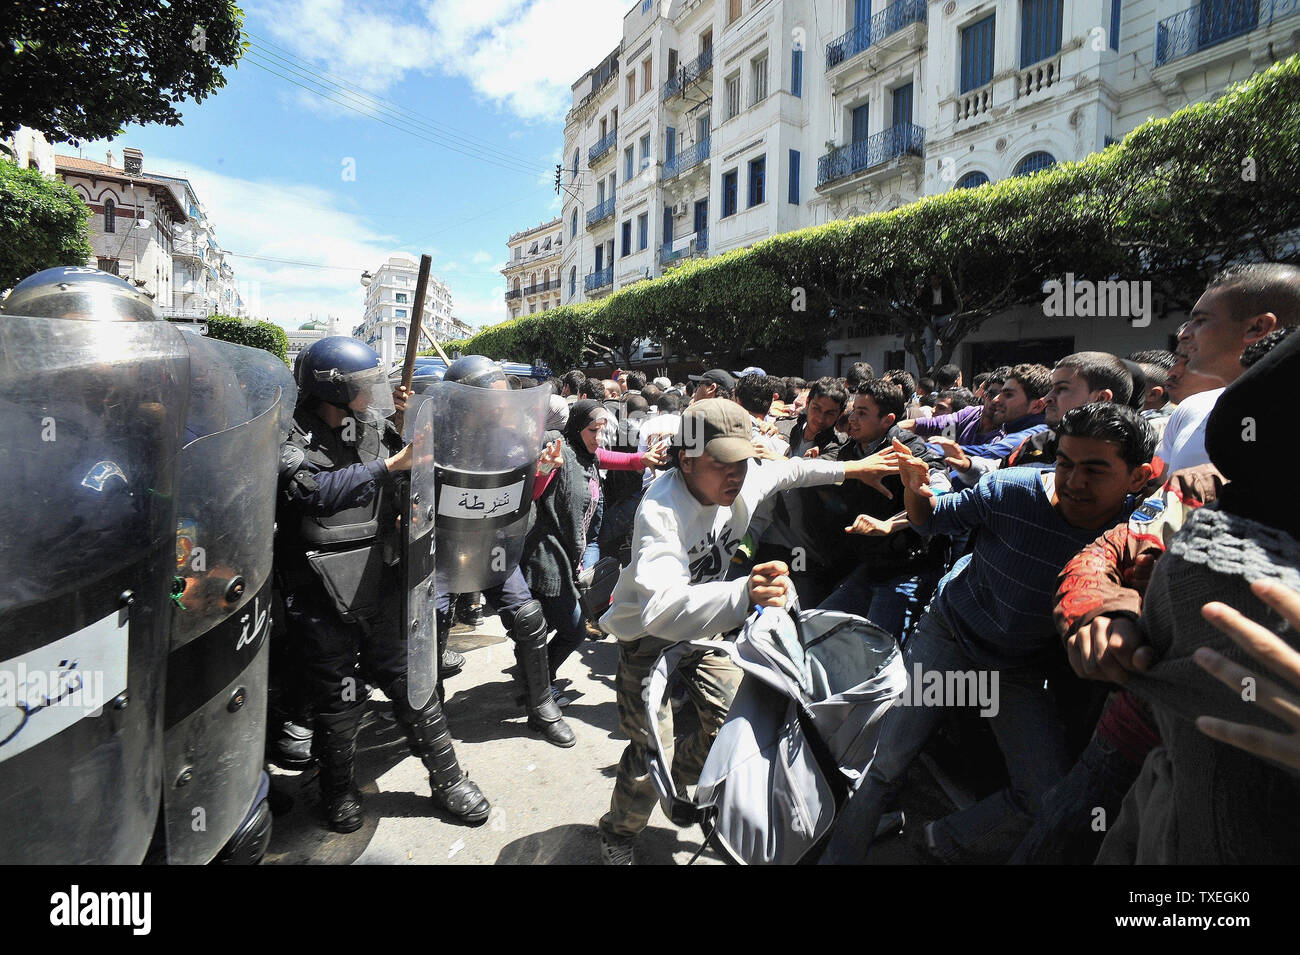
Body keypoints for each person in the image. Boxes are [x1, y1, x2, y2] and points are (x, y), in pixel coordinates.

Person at [820, 403, 1157, 864]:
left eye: (1096, 470)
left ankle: (939, 841)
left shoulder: (1137, 533)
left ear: (1137, 478)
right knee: (886, 768)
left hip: (1014, 670)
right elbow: (927, 519)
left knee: (1047, 797)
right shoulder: (1010, 489)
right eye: (1066, 464)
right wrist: (916, 489)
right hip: (950, 637)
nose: (1075, 482)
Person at [595, 398, 902, 864]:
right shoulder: (661, 508)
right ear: (687, 459)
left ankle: (680, 784)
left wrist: (857, 468)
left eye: (742, 461)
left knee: (731, 728)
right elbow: (660, 610)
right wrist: (745, 595)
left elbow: (795, 471)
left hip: (705, 632)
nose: (736, 476)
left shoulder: (745, 479)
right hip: (647, 638)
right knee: (647, 749)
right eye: (722, 464)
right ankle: (619, 832)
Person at [1097, 327, 1300, 863]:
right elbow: (1133, 536)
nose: (1182, 338)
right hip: (1151, 764)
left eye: (1202, 320)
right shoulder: (1210, 497)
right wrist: (1103, 602)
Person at [276, 337, 489, 831]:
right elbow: (311, 492)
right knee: (339, 699)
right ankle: (336, 789)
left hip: (381, 578)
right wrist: (390, 465)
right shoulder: (289, 433)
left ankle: (448, 778)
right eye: (363, 383)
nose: (375, 389)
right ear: (332, 390)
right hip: (317, 588)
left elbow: (417, 479)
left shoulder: (375, 429)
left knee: (413, 685)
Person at [430, 355, 576, 748]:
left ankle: (541, 704)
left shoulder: (509, 438)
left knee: (528, 619)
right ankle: (431, 718)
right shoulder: (434, 437)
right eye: (490, 401)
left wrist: (541, 472)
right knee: (433, 626)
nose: (499, 408)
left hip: (491, 545)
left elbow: (522, 500)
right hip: (441, 550)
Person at [524, 400, 667, 700]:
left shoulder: (588, 456)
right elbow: (534, 494)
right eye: (592, 430)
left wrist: (644, 459)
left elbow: (616, 459)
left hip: (569, 557)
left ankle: (531, 674)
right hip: (546, 556)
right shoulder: (562, 452)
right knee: (575, 629)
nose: (598, 437)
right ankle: (539, 684)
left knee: (548, 624)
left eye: (602, 431)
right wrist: (545, 469)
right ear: (577, 427)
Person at [815, 379, 951, 642]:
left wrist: (891, 523)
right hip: (871, 567)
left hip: (909, 570)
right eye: (853, 410)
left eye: (862, 413)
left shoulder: (910, 451)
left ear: (887, 420)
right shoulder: (851, 451)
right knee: (819, 627)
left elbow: (939, 495)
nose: (852, 418)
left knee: (878, 650)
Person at [1157, 263, 1300, 475]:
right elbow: (1162, 496)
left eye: (1201, 320)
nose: (1184, 334)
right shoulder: (1190, 409)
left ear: (1257, 327)